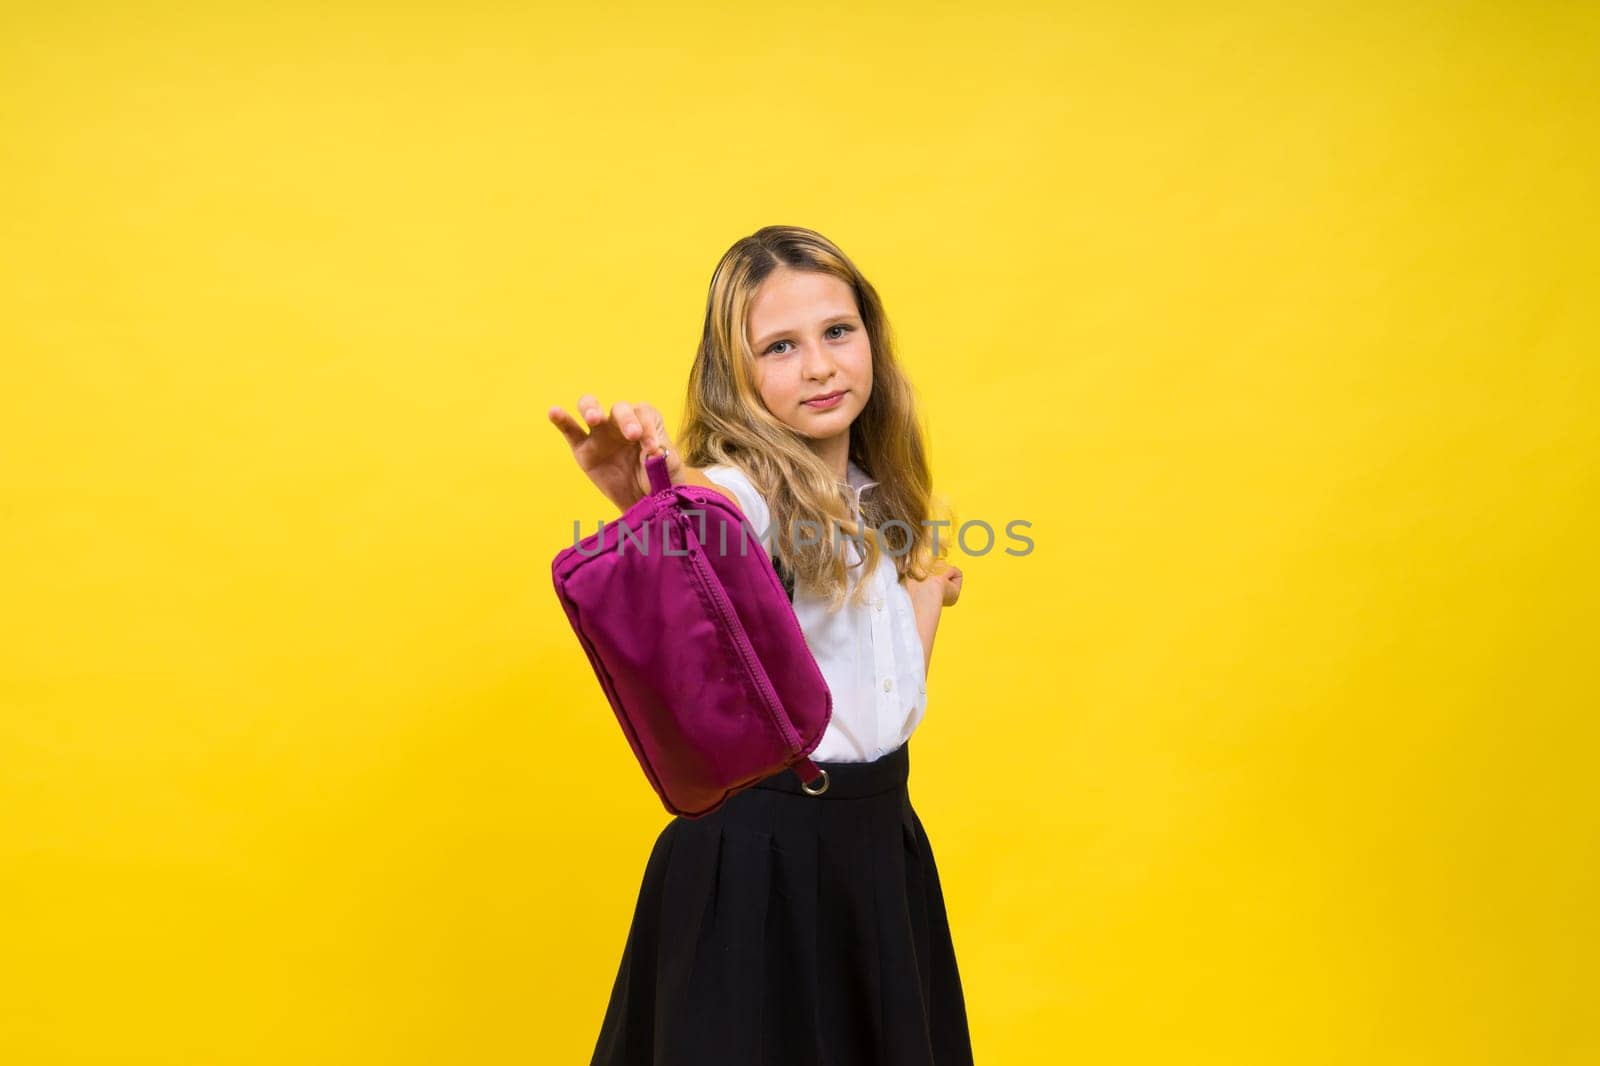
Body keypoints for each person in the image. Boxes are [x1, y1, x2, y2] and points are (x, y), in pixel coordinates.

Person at [547, 225, 973, 1065]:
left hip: (878, 849)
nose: (818, 366)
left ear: (873, 344)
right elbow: (707, 522)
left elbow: (879, 710)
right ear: (735, 378)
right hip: (762, 870)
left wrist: (924, 596)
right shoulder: (747, 490)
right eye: (779, 346)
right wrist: (653, 502)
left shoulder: (875, 493)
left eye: (837, 332)